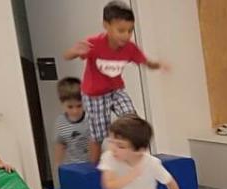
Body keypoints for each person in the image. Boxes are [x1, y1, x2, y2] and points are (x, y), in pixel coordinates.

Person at [64, 1, 165, 161]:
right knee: (98, 134)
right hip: (94, 95)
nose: (126, 35)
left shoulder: (130, 48)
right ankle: (94, 167)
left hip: (116, 90)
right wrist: (74, 52)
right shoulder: (94, 44)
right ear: (106, 25)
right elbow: (67, 56)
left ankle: (138, 159)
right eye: (121, 30)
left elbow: (144, 61)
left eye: (130, 31)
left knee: (132, 121)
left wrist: (157, 65)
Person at [53, 77, 92, 180]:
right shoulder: (60, 122)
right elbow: (60, 146)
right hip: (72, 168)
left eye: (79, 106)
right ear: (62, 104)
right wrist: (58, 168)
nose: (75, 111)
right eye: (70, 107)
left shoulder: (90, 119)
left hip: (91, 167)